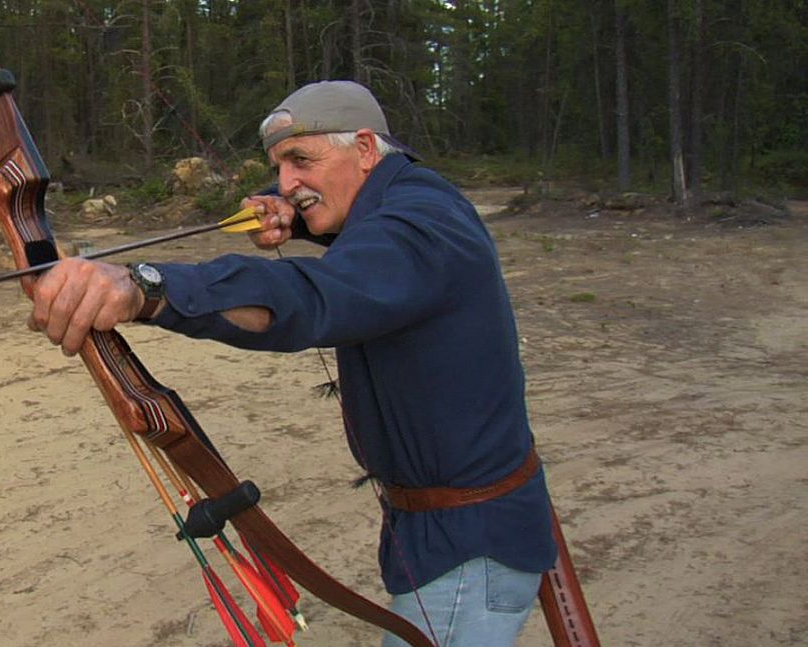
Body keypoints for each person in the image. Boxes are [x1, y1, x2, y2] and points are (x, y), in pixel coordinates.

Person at [27, 80, 558, 646]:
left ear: (364, 148)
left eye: (301, 160)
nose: (284, 182)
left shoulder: (426, 226)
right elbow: (356, 226)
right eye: (278, 167)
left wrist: (150, 289)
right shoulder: (401, 199)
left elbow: (314, 295)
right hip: (441, 531)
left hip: (473, 546)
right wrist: (294, 212)